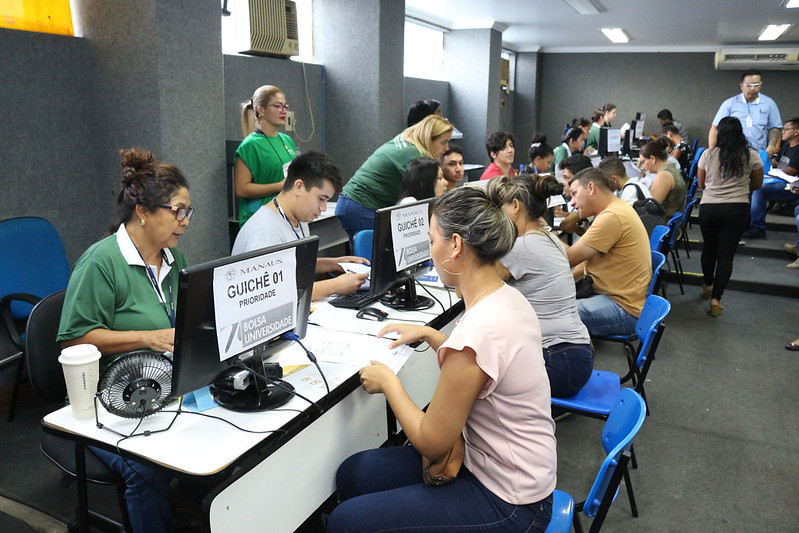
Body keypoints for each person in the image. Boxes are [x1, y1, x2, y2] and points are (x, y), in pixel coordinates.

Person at [327, 186, 557, 533]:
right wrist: (434, 337)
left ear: (456, 247)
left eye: (432, 240)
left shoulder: (478, 332)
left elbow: (431, 441)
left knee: (346, 522)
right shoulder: (505, 298)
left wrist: (390, 384)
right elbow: (484, 366)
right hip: (506, 466)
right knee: (354, 473)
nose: (431, 251)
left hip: (510, 502)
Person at [57, 148, 193, 533]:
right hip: (105, 398)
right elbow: (74, 340)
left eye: (188, 212)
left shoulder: (174, 259)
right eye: (177, 211)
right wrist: (147, 337)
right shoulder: (101, 262)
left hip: (160, 384)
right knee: (144, 469)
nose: (185, 222)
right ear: (144, 212)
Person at [488, 175, 594, 398]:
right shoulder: (548, 237)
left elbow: (473, 283)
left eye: (500, 208)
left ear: (515, 205)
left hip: (557, 361)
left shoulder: (522, 247)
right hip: (576, 355)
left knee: (480, 379)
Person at [233, 151, 369, 299]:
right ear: (299, 187)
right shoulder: (265, 232)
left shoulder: (298, 217)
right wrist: (334, 286)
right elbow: (270, 296)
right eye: (321, 199)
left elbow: (291, 265)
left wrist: (335, 263)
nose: (323, 208)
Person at [335, 115, 453, 239]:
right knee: (373, 254)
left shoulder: (406, 140)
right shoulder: (413, 156)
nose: (447, 148)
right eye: (443, 142)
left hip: (354, 202)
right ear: (429, 138)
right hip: (360, 204)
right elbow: (425, 193)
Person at [566, 168, 651, 336]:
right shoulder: (615, 209)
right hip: (617, 298)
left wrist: (543, 234)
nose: (572, 203)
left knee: (553, 315)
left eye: (575, 194)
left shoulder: (612, 216)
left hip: (623, 309)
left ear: (590, 188)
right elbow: (581, 263)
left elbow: (567, 259)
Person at [698, 116, 764, 316]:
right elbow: (757, 185)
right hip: (736, 208)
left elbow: (701, 185)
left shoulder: (708, 154)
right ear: (740, 133)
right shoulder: (751, 155)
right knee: (726, 255)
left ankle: (708, 285)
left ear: (720, 134)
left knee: (709, 248)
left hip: (709, 208)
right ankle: (716, 299)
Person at [234, 85, 296, 227]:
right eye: (277, 106)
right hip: (259, 220)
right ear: (261, 110)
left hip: (285, 216)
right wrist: (279, 186)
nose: (284, 111)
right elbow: (241, 189)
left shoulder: (287, 141)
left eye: (285, 106)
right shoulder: (250, 145)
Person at [744, 116, 799, 240]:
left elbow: (792, 170)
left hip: (792, 186)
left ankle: (757, 228)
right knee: (753, 185)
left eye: (786, 129)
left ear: (796, 132)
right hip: (778, 180)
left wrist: (775, 171)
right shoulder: (786, 146)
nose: (782, 132)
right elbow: (775, 161)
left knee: (760, 189)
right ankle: (747, 223)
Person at [709, 69, 782, 158]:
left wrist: (771, 145)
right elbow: (715, 127)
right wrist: (713, 151)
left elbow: (775, 128)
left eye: (756, 85)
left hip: (758, 153)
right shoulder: (730, 103)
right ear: (741, 86)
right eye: (749, 85)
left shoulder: (769, 104)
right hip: (733, 154)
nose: (753, 88)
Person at [638, 140, 686, 218]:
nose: (643, 166)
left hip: (662, 224)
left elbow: (650, 208)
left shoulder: (664, 176)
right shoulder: (671, 169)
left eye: (643, 162)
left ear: (652, 159)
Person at [556, 154, 594, 236]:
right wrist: (563, 214)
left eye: (567, 178)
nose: (563, 183)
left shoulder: (588, 201)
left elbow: (565, 225)